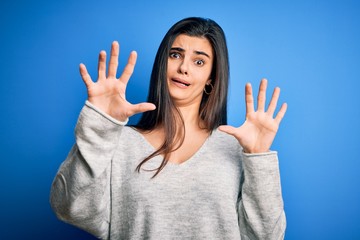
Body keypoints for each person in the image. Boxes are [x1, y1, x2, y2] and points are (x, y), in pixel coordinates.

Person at [50, 17, 287, 239]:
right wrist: (101, 125)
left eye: (199, 61)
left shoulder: (235, 149)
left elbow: (267, 236)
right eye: (175, 55)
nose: (184, 67)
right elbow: (70, 208)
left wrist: (258, 157)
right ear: (163, 63)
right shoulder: (120, 143)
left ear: (211, 78)